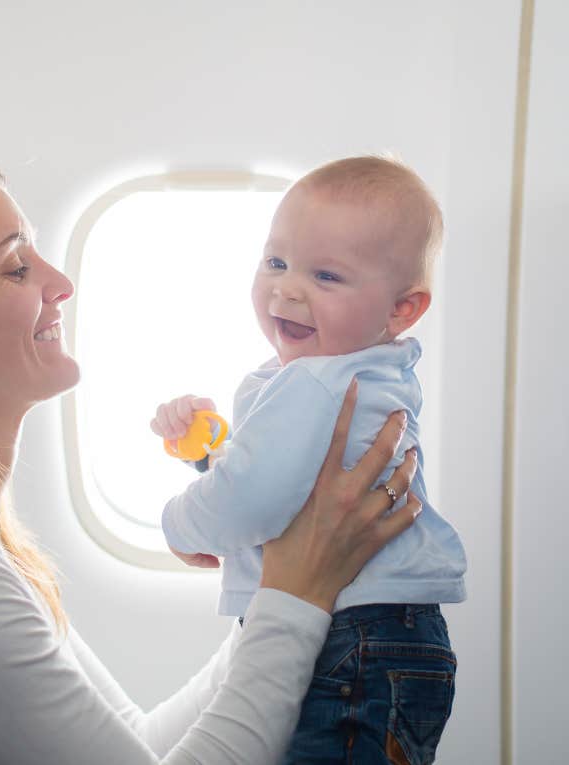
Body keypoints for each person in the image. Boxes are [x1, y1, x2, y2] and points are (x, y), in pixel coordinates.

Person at [0, 154, 422, 764]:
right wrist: (294, 591)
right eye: (16, 267)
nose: (60, 281)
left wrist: (289, 576)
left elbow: (136, 741)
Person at [150, 156, 467, 764]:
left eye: (325, 275)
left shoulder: (316, 384)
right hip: (385, 639)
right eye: (276, 262)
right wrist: (209, 451)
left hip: (351, 641)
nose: (287, 288)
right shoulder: (355, 374)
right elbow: (285, 481)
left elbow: (255, 499)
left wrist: (179, 524)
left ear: (402, 309)